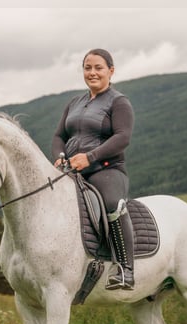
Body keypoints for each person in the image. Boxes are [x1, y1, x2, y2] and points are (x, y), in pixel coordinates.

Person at [52, 48, 136, 290]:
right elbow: (59, 135)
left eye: (98, 67)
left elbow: (122, 137)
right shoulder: (74, 103)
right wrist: (59, 158)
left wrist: (90, 158)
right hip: (71, 170)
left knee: (112, 204)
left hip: (107, 169)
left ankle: (124, 269)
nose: (92, 72)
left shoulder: (119, 102)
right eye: (87, 68)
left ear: (111, 71)